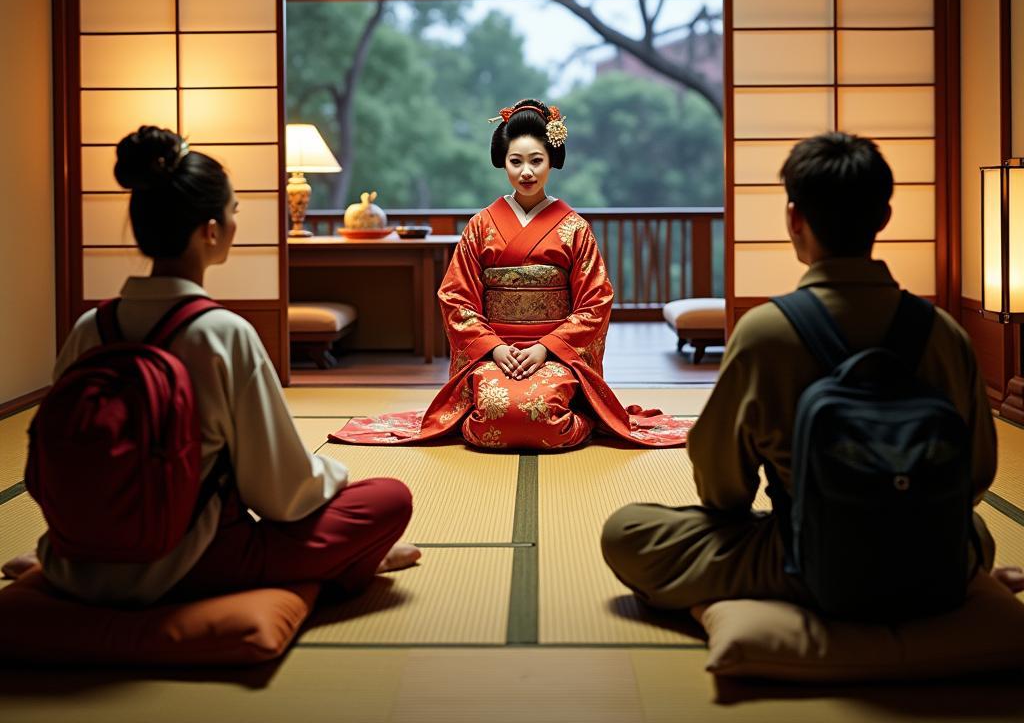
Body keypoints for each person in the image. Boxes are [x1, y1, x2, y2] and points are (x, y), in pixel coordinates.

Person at [601, 131, 1024, 611]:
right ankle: (953, 578)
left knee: (628, 532)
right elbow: (975, 475)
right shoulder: (945, 334)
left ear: (794, 217)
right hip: (926, 554)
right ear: (884, 217)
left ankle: (808, 594)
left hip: (810, 555)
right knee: (979, 534)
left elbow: (723, 491)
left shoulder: (766, 331)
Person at [6, 126, 420, 605]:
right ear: (210, 230)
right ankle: (354, 561)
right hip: (191, 561)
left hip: (80, 552)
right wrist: (333, 471)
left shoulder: (88, 328)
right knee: (388, 500)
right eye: (233, 213)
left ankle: (51, 568)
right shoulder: (222, 333)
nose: (235, 224)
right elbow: (282, 495)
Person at [332, 99, 691, 450]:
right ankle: (559, 413)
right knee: (496, 410)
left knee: (541, 414)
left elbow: (595, 303)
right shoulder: (481, 225)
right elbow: (456, 298)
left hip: (555, 353)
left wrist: (545, 348)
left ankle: (588, 419)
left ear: (552, 162)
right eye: (515, 161)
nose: (527, 172)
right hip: (494, 352)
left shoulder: (574, 228)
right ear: (503, 163)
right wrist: (495, 348)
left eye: (536, 161)